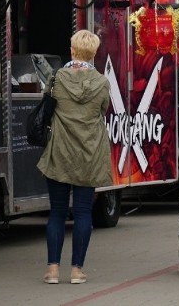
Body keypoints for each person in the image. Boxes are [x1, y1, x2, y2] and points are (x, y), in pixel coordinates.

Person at [37, 30, 111, 285]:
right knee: (82, 212)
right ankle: (77, 270)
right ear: (93, 53)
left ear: (72, 50)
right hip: (89, 153)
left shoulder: (56, 78)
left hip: (59, 152)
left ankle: (53, 270)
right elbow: (103, 110)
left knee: (57, 212)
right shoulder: (102, 82)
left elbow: (46, 104)